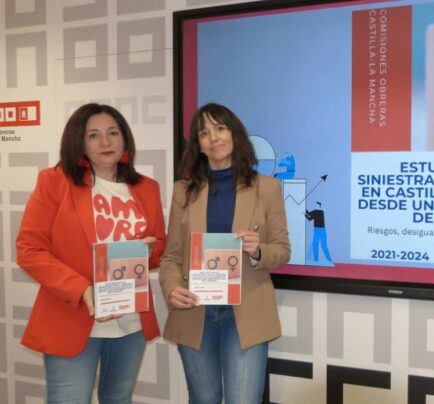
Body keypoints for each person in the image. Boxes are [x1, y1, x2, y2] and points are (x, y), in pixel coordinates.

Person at [15, 103, 166, 403]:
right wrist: (82, 288)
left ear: (125, 138)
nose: (105, 142)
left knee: (119, 399)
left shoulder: (147, 187)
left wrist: (149, 251)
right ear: (79, 142)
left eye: (113, 133)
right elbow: (29, 250)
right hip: (72, 316)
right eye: (93, 135)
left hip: (130, 320)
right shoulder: (55, 181)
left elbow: (159, 246)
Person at [159, 103, 290, 403]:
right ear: (198, 144)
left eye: (220, 128)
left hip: (246, 313)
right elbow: (171, 257)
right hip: (196, 311)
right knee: (203, 399)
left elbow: (282, 251)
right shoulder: (184, 190)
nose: (213, 138)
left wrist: (258, 251)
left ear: (234, 134)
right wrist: (171, 288)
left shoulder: (267, 188)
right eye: (204, 133)